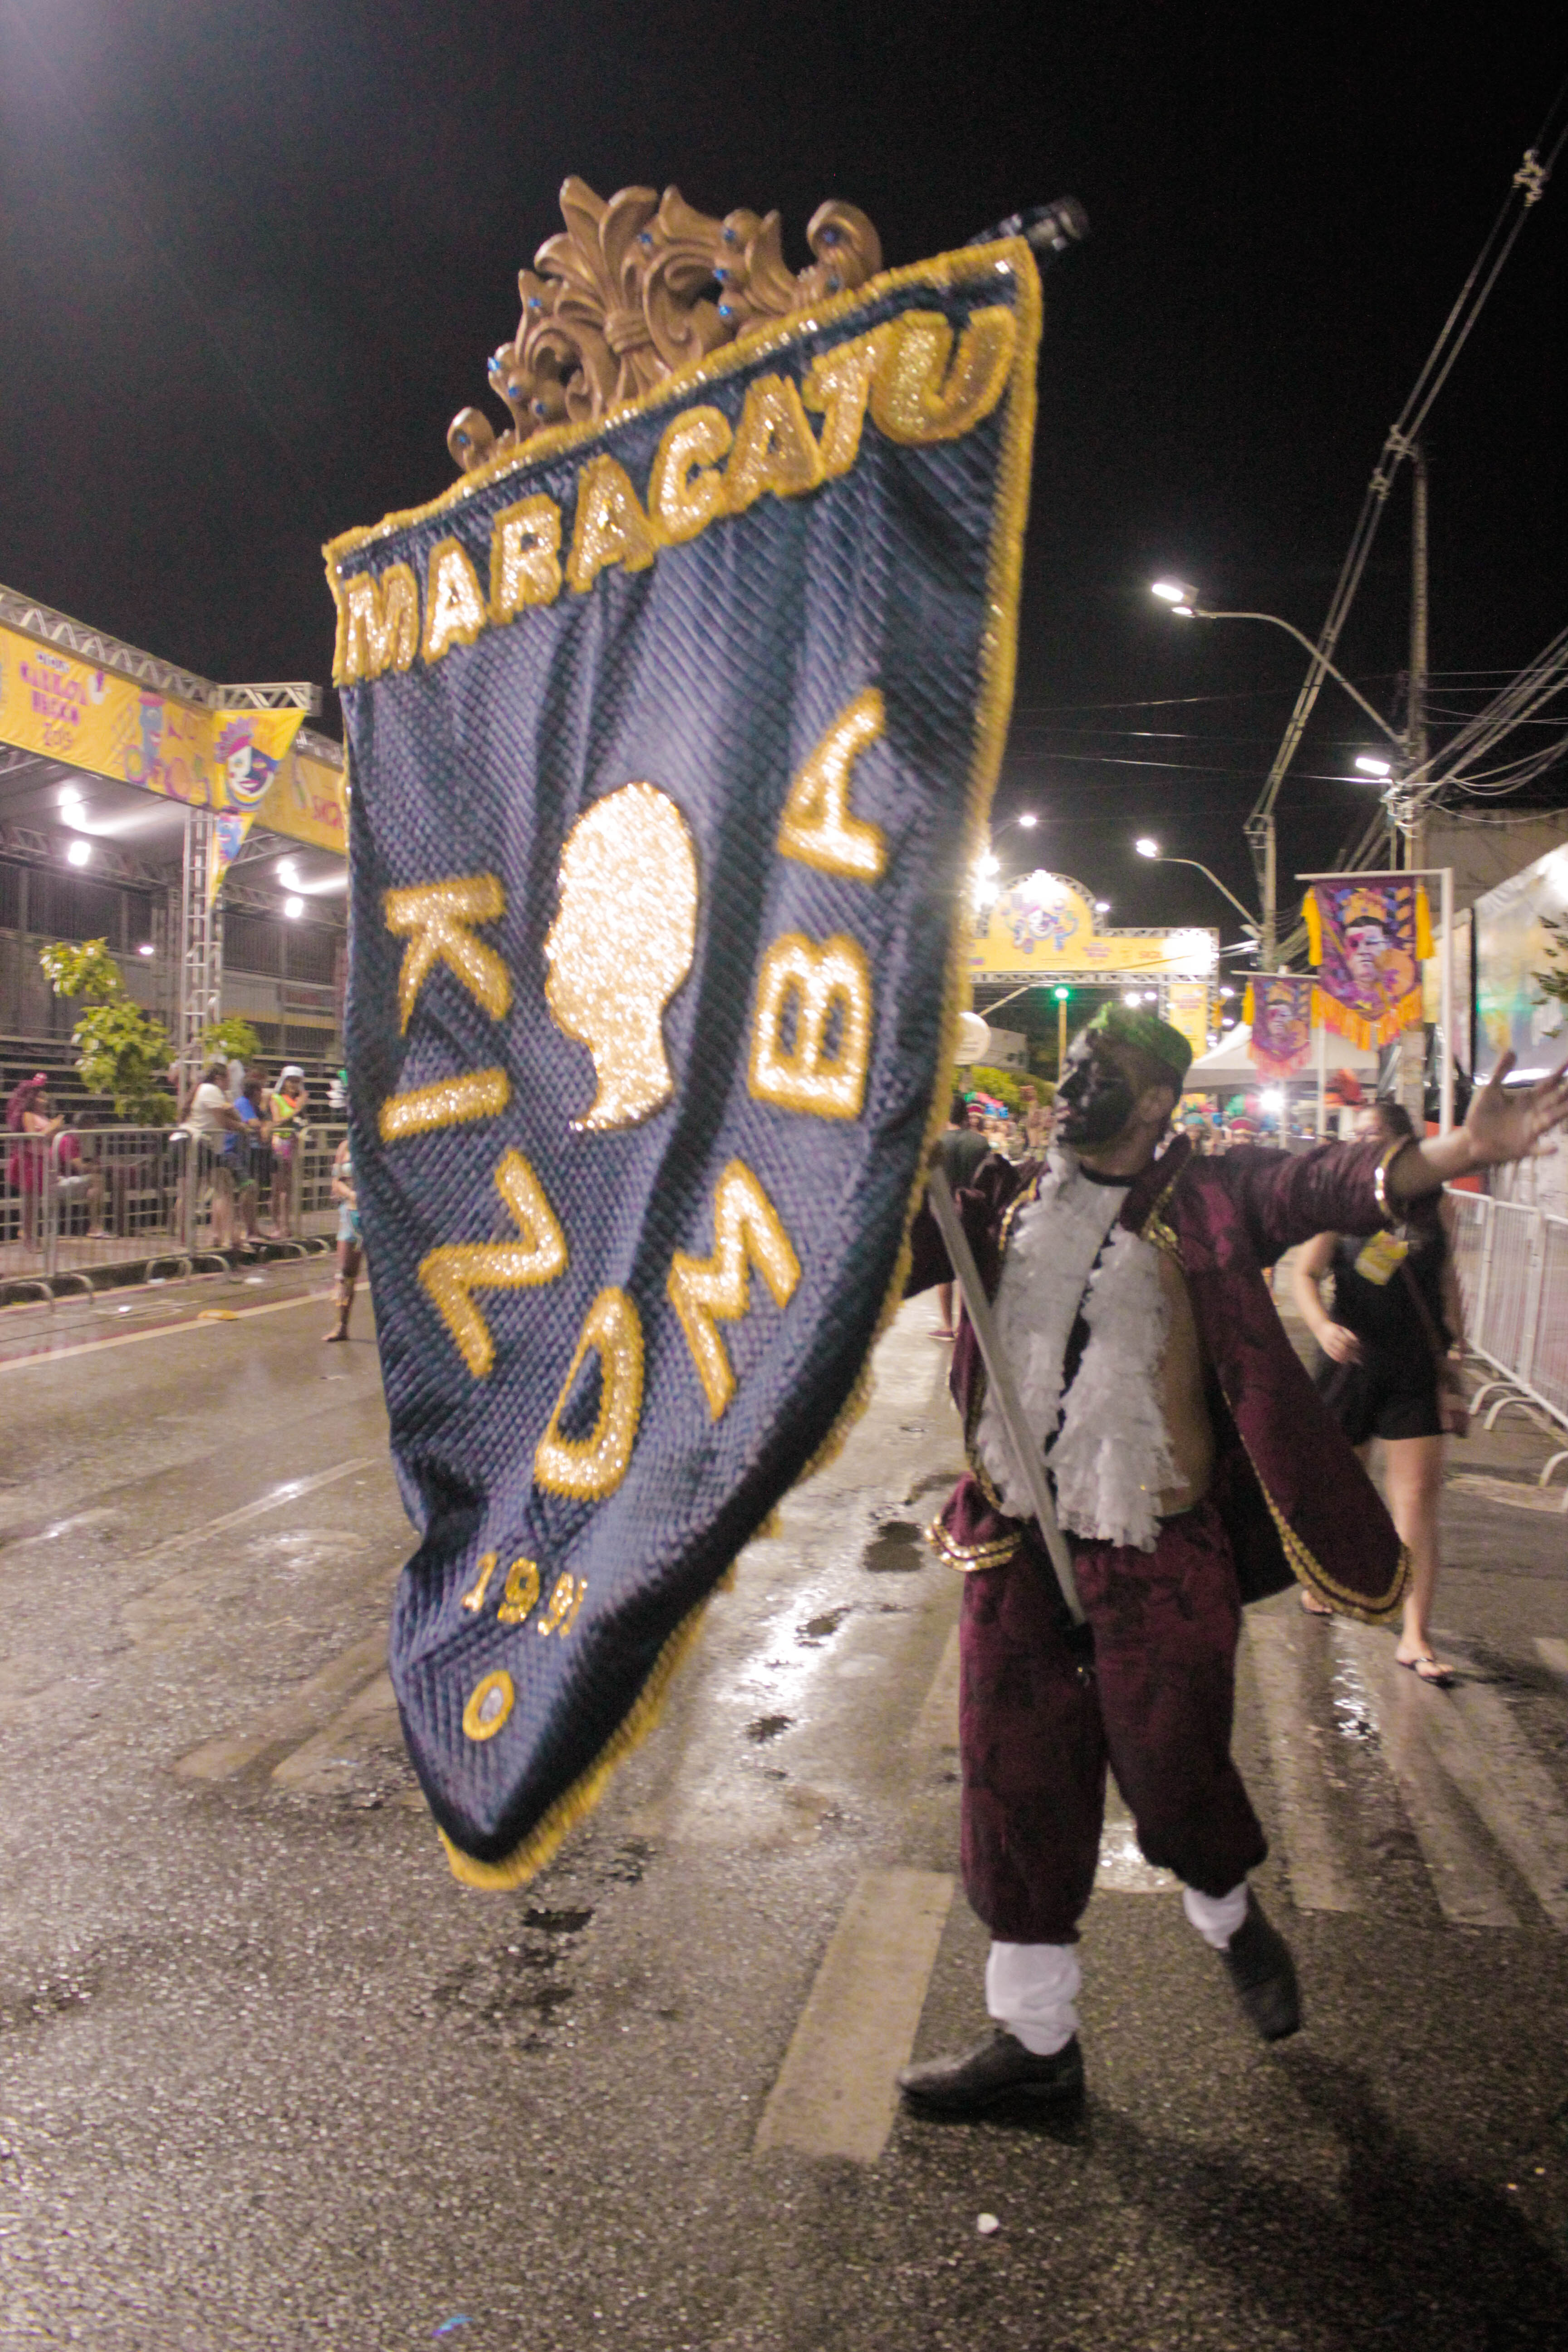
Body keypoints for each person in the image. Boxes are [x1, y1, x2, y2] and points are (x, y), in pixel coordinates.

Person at [896, 1003, 1568, 2119]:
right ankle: (1035, 2040)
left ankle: (1226, 1910)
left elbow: (1317, 1183)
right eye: (1070, 1066)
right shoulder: (997, 1197)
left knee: (1173, 1780)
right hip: (1014, 1546)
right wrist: (884, 1159)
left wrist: (1454, 1149)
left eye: (1098, 1070)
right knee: (1014, 1789)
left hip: (1160, 1558)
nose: (1071, 1085)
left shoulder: (1207, 1197)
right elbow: (872, 1258)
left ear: (1157, 1099)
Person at [1289, 1099, 1468, 1684]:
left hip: (1413, 1369)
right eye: (1356, 1135)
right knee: (1342, 1488)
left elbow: (1446, 1281)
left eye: (1373, 1135)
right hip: (1350, 1364)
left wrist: (1455, 1351)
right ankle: (1326, 1579)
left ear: (1403, 1143)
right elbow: (1305, 1274)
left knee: (1416, 1503)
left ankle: (1416, 1636)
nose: (1360, 1144)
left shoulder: (1436, 1203)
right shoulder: (1341, 1201)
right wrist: (1322, 1327)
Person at [933, 1092, 990, 1340]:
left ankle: (948, 1326)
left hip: (943, 1213)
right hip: (973, 1212)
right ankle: (966, 1327)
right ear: (966, 1115)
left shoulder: (936, 1143)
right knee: (968, 1270)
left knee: (944, 1271)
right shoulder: (980, 1143)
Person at [186, 1060, 245, 1247]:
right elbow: (224, 1122)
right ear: (219, 1078)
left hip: (208, 1145)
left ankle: (219, 1236)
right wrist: (242, 1127)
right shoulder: (210, 1090)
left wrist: (233, 1113)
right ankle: (228, 1236)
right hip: (199, 1143)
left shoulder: (218, 1093)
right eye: (228, 1078)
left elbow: (233, 1116)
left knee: (222, 1187)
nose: (230, 1082)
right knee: (196, 1192)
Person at [323, 1129, 363, 1342]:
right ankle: (342, 1326)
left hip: (376, 1215)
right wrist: (351, 1194)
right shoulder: (345, 1147)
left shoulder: (380, 1143)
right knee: (345, 1273)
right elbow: (336, 1181)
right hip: (350, 1214)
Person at [265, 1067, 309, 1238]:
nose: (294, 1085)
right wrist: (297, 1109)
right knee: (278, 1188)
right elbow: (278, 1121)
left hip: (294, 1145)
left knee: (288, 1189)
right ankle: (277, 1226)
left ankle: (287, 1225)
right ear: (284, 1082)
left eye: (297, 1082)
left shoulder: (298, 1100)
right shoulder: (276, 1098)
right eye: (291, 1081)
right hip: (281, 1144)